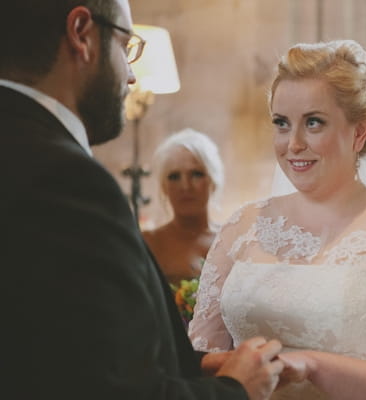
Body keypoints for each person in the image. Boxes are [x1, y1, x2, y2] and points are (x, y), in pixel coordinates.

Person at [1, 1, 284, 399]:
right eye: (126, 46)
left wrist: (194, 365)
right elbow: (110, 390)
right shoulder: (64, 178)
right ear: (82, 34)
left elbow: (58, 347)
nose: (132, 76)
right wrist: (236, 388)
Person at [188, 40, 366, 400]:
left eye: (313, 123)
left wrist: (313, 366)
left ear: (360, 132)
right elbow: (197, 358)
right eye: (282, 124)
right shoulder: (241, 225)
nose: (293, 143)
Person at [143, 128, 224, 285]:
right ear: (164, 187)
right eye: (174, 177)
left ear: (213, 181)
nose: (185, 186)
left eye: (196, 174)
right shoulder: (148, 244)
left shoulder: (232, 242)